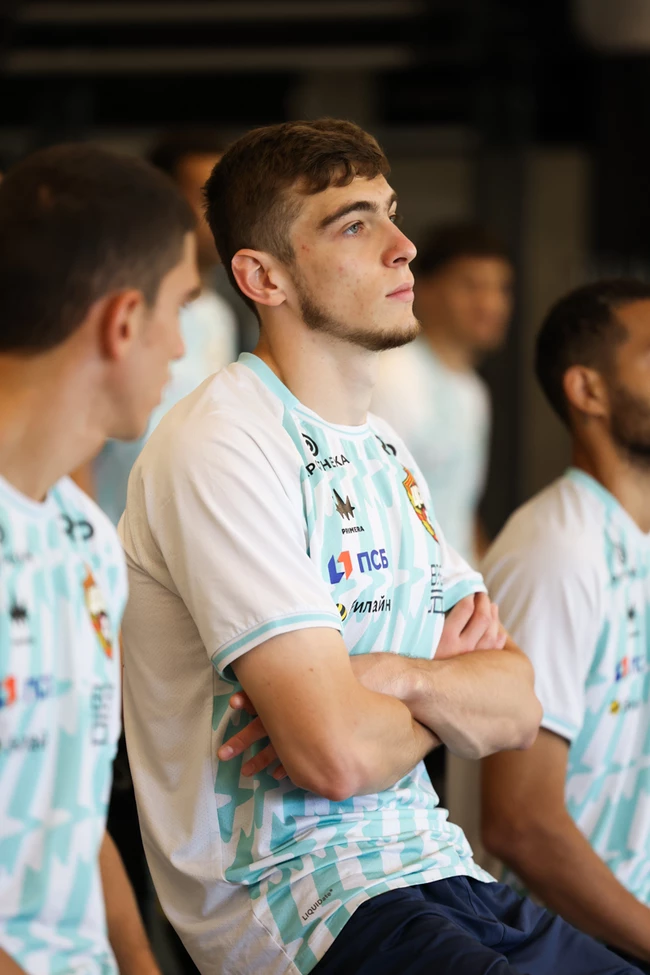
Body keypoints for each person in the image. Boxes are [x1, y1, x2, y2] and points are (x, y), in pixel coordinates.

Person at [119, 118, 641, 975]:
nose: (403, 247)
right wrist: (439, 695)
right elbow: (335, 754)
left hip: (439, 865)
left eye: (391, 213)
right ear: (262, 276)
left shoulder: (385, 447)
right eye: (354, 225)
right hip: (308, 900)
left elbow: (516, 704)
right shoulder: (223, 437)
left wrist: (394, 677)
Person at [0, 143, 200, 974]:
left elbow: (74, 813)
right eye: (179, 308)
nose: (181, 348)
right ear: (123, 321)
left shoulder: (84, 536)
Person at [481, 279, 650, 973]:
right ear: (588, 391)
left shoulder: (633, 537)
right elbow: (520, 823)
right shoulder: (556, 549)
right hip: (573, 945)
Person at [371, 222, 513, 565]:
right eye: (471, 286)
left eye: (502, 288)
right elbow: (373, 502)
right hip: (409, 583)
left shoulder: (473, 390)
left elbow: (458, 506)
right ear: (425, 289)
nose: (491, 304)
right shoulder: (393, 375)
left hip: (457, 584)